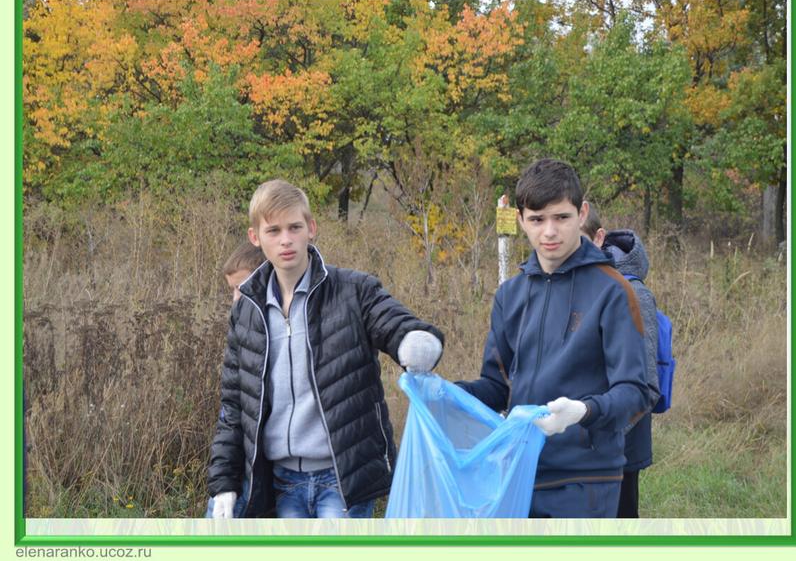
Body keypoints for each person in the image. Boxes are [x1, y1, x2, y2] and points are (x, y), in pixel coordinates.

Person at [207, 179, 444, 518]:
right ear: (255, 237)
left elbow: (393, 321)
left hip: (342, 480)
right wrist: (224, 485)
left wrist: (413, 341)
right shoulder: (246, 310)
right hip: (281, 484)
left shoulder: (353, 289)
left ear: (311, 229)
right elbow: (233, 407)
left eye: (295, 227)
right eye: (273, 230)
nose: (286, 239)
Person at [457, 158, 650, 518]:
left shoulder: (613, 291)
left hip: (586, 482)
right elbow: (496, 387)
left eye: (561, 217)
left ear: (582, 213)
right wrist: (446, 393)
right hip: (516, 473)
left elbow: (635, 393)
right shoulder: (509, 295)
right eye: (537, 219)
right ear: (520, 220)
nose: (549, 231)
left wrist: (583, 411)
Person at [581, 203, 661, 519]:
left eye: (580, 240)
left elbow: (647, 386)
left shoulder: (633, 293)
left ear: (598, 238)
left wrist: (601, 435)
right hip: (576, 447)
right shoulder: (568, 285)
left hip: (621, 449)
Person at [204, 241, 267, 518]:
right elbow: (230, 411)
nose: (235, 298)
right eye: (232, 290)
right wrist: (223, 485)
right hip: (239, 467)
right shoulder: (240, 331)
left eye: (241, 288)